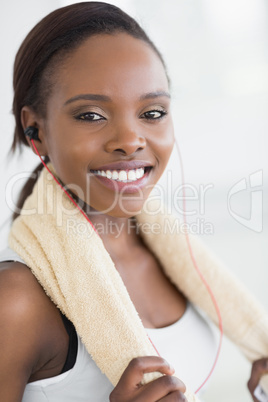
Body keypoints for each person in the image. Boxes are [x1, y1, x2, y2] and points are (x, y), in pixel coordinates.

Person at [0, 2, 267, 402]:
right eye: (91, 115)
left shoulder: (172, 253)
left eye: (153, 112)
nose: (129, 140)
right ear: (35, 132)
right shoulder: (16, 299)